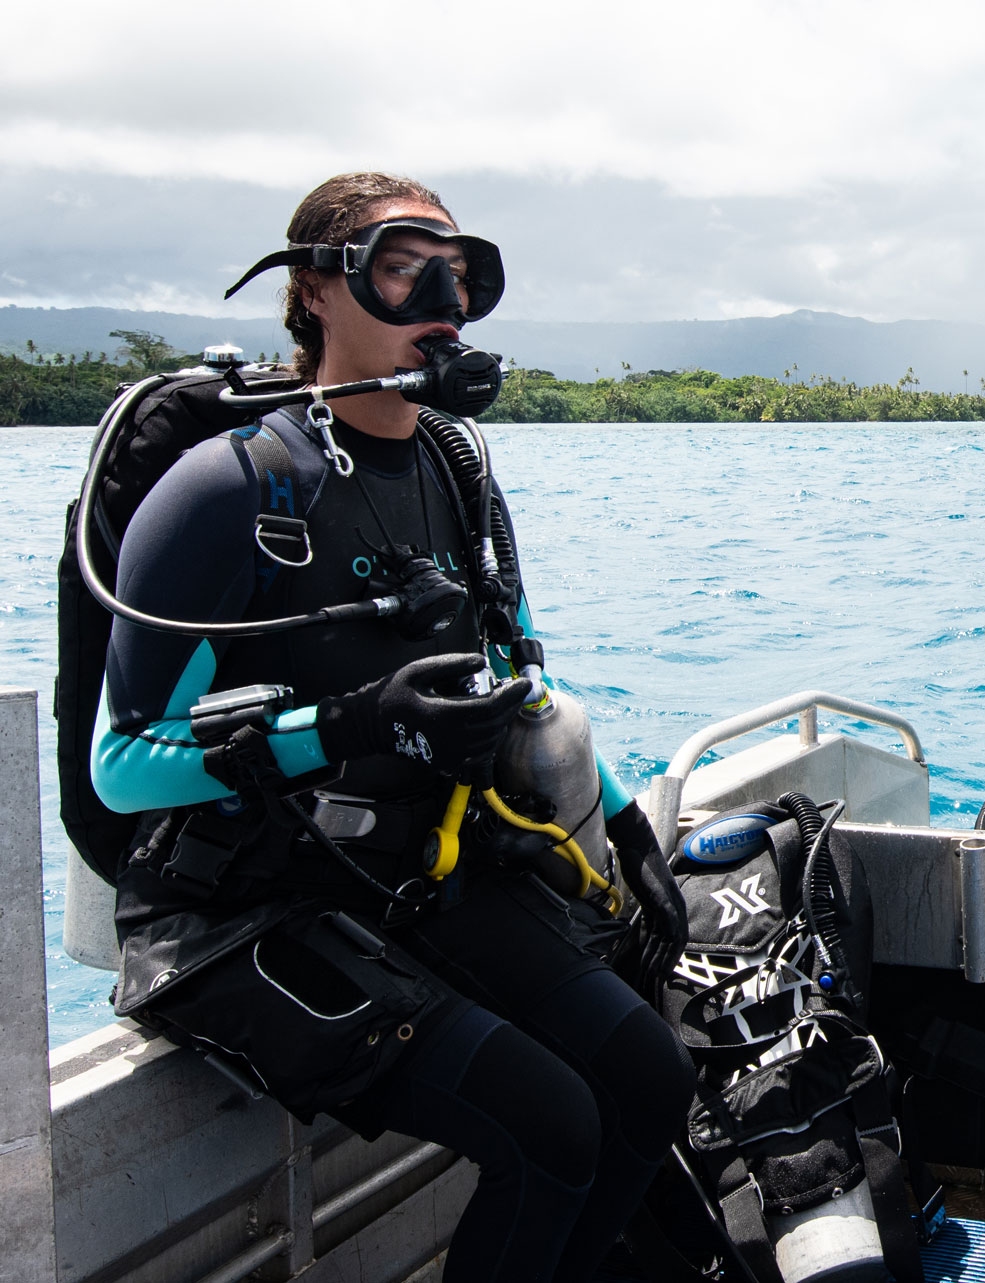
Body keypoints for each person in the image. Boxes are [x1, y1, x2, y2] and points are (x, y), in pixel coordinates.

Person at [94, 172, 695, 1283]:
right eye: (403, 266)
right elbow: (123, 766)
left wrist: (628, 829)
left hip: (408, 873)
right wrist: (349, 723)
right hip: (241, 906)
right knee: (550, 1122)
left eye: (461, 274)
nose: (444, 299)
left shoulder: (455, 467)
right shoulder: (230, 491)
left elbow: (518, 675)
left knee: (650, 1077)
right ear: (316, 289)